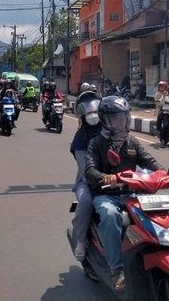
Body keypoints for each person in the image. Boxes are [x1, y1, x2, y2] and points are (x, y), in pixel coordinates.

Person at [84, 95, 169, 292]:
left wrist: (164, 173)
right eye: (116, 118)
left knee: (153, 213)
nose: (121, 122)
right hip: (107, 194)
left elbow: (148, 160)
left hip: (131, 193)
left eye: (124, 117)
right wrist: (105, 177)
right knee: (110, 214)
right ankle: (116, 268)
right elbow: (89, 170)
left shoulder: (132, 142)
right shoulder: (97, 143)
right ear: (105, 120)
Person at [69, 90, 102, 266]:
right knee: (85, 202)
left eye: (95, 107)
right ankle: (81, 241)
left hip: (118, 180)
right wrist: (101, 178)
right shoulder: (80, 137)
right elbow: (84, 167)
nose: (92, 112)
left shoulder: (110, 129)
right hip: (87, 182)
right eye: (87, 109)